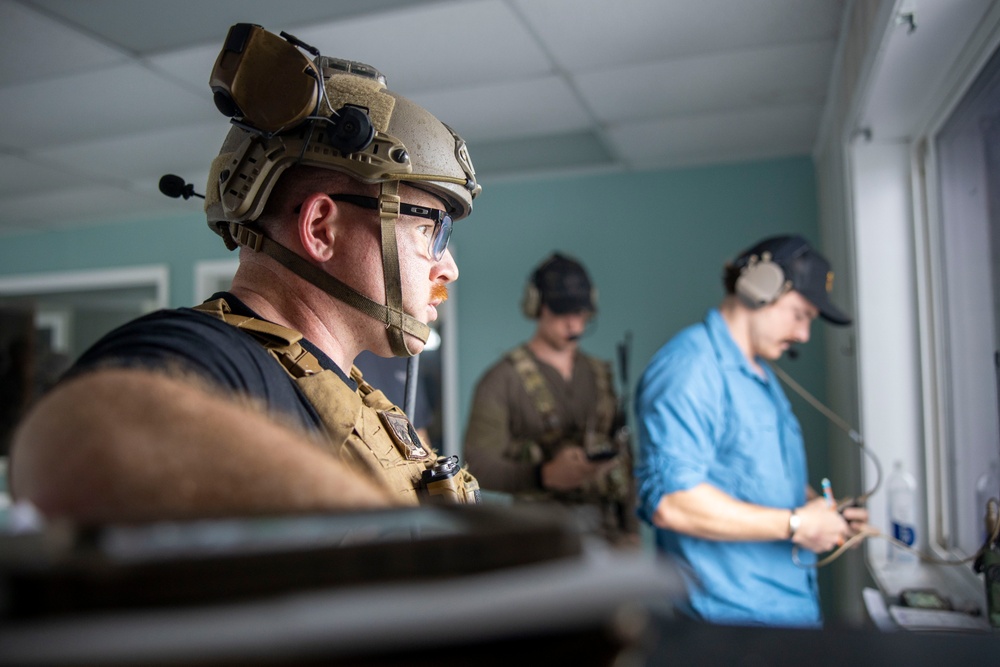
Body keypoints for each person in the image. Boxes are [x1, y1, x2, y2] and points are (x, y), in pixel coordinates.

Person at [7, 23, 482, 523]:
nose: (447, 266)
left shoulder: (342, 386)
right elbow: (74, 440)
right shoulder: (221, 355)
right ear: (322, 228)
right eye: (434, 233)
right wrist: (374, 521)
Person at [634, 235, 869, 627]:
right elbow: (672, 502)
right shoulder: (690, 368)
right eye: (800, 314)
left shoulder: (760, 373)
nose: (804, 335)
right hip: (728, 622)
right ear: (758, 289)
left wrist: (824, 512)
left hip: (786, 609)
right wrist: (797, 524)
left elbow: (758, 477)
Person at [463, 253, 638, 546]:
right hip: (538, 540)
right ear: (537, 307)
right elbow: (477, 465)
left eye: (581, 313)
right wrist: (542, 475)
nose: (574, 325)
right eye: (562, 312)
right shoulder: (501, 379)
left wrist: (632, 531)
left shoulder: (601, 376)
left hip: (609, 537)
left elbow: (626, 458)